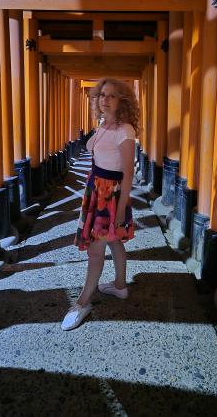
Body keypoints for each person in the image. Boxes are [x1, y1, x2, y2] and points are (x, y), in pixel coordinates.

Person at [61, 77, 139, 330]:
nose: (105, 99)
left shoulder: (125, 130)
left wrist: (121, 209)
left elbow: (128, 173)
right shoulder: (103, 125)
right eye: (101, 95)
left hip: (111, 196)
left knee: (96, 252)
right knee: (113, 240)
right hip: (96, 189)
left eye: (112, 95)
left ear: (122, 101)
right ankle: (120, 286)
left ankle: (82, 302)